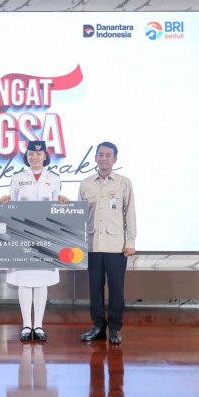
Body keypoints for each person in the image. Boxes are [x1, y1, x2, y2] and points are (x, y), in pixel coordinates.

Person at [0, 141, 69, 342]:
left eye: (38, 154)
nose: (34, 157)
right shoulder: (17, 178)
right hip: (22, 236)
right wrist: (4, 202)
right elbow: (11, 206)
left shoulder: (54, 178)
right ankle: (26, 325)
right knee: (24, 280)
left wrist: (63, 202)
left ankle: (38, 325)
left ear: (45, 156)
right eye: (31, 154)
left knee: (41, 281)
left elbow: (56, 209)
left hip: (45, 236)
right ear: (26, 156)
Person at [78, 142, 136, 344]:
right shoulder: (86, 183)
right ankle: (98, 326)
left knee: (116, 289)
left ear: (115, 159)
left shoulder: (124, 183)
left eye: (108, 155)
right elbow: (79, 216)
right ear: (95, 157)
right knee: (95, 289)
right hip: (92, 245)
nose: (104, 158)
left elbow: (130, 213)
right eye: (100, 154)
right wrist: (78, 243)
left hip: (116, 246)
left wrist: (130, 241)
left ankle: (115, 328)